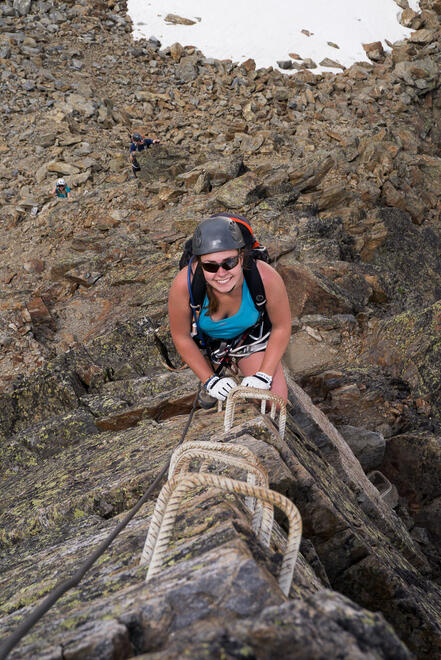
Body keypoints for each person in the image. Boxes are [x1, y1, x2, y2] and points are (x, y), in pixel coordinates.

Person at [168, 216, 292, 406]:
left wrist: (264, 375)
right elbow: (181, 335)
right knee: (223, 398)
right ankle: (215, 370)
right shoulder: (184, 284)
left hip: (249, 339)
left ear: (241, 258)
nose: (221, 273)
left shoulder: (265, 277)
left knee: (273, 403)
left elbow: (281, 327)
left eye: (229, 262)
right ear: (200, 264)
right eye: (210, 265)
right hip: (209, 345)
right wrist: (210, 380)